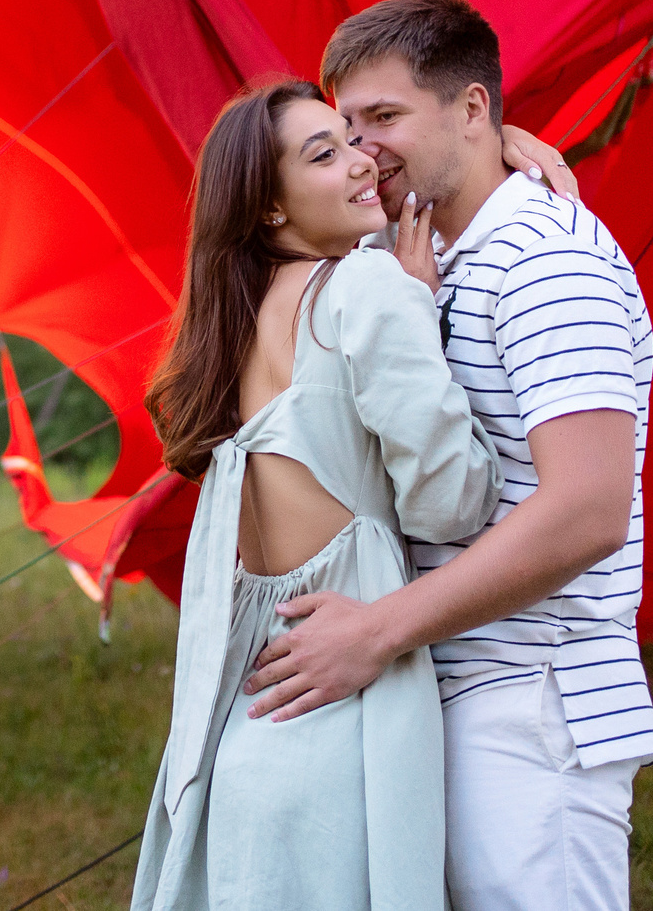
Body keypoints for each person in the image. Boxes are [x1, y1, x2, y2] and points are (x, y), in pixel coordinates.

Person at [247, 0, 653, 911]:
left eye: (383, 117)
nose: (362, 150)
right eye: (347, 127)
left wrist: (377, 629)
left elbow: (588, 508)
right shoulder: (423, 255)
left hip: (534, 701)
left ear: (473, 107)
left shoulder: (545, 260)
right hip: (454, 689)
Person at [133, 78, 501, 911]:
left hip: (246, 742)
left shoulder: (234, 326)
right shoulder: (368, 289)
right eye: (324, 153)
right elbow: (452, 502)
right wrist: (420, 310)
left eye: (353, 138)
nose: (362, 159)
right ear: (270, 206)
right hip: (343, 737)